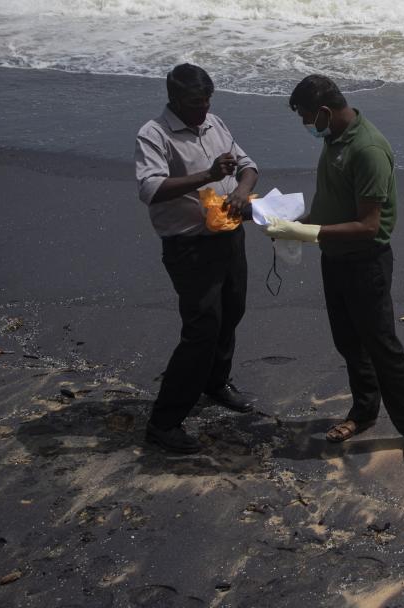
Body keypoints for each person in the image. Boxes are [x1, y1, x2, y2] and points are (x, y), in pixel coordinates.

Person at [261, 74, 404, 463]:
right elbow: (334, 201)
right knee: (348, 342)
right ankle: (364, 412)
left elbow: (370, 225)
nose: (306, 125)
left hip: (364, 261)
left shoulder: (368, 149)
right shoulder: (335, 138)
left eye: (306, 117)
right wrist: (293, 222)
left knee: (382, 346)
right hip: (333, 256)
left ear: (323, 111)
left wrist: (303, 232)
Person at [134, 63, 259, 453]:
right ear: (173, 99)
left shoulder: (215, 123)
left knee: (232, 312)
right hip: (189, 245)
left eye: (207, 100)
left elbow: (248, 166)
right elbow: (151, 189)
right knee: (202, 329)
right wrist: (206, 176)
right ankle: (164, 421)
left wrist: (241, 190)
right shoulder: (154, 134)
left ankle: (215, 382)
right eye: (194, 102)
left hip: (229, 235)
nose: (202, 108)